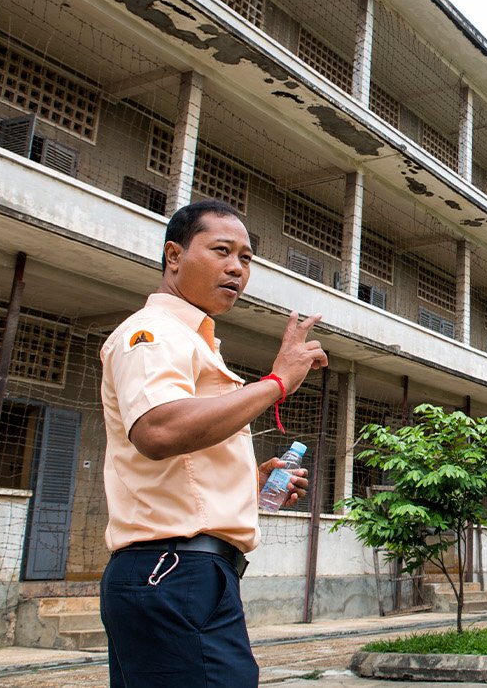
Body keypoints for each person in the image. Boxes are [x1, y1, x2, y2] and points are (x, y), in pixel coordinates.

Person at [99, 199, 329, 688]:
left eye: (246, 258)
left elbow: (183, 461)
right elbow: (158, 431)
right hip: (173, 569)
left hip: (190, 571)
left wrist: (250, 480)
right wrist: (276, 383)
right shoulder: (153, 334)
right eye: (221, 250)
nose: (236, 268)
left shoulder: (196, 340)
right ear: (174, 256)